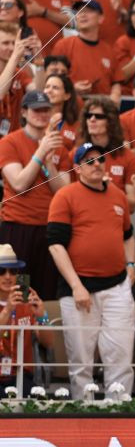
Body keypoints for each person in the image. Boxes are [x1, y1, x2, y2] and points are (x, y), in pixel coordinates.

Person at [47, 141, 135, 400]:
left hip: (117, 285)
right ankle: (83, 414)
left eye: (101, 159)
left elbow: (128, 236)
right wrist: (76, 286)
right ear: (77, 168)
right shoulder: (65, 196)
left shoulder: (118, 195)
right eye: (89, 161)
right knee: (81, 362)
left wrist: (131, 265)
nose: (97, 164)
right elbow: (55, 246)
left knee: (121, 358)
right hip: (79, 287)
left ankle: (119, 410)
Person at [0, 90, 69, 300]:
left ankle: (41, 321)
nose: (42, 114)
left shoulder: (60, 147)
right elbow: (19, 183)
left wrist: (49, 162)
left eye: (46, 110)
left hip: (49, 228)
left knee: (46, 291)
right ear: (24, 112)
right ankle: (19, 322)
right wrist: (40, 152)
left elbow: (63, 192)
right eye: (36, 110)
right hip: (19, 227)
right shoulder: (9, 142)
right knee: (20, 291)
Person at [0, 243, 53, 388]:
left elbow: (48, 343)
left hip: (22, 376)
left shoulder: (26, 302)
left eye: (13, 271)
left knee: (34, 397)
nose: (8, 276)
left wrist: (42, 316)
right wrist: (7, 310)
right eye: (1, 271)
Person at [50, 0, 121, 102]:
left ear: (101, 18)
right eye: (79, 11)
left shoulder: (109, 51)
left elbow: (116, 81)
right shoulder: (63, 45)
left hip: (102, 106)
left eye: (88, 11)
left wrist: (115, 94)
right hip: (71, 104)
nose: (82, 14)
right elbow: (51, 79)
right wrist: (72, 88)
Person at [79, 95, 135, 204]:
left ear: (111, 122)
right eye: (89, 116)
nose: (92, 119)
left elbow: (132, 203)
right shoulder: (77, 154)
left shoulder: (129, 157)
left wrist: (109, 188)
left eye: (98, 116)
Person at [0, 21, 38, 137]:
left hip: (12, 139)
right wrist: (16, 56)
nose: (12, 48)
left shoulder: (19, 74)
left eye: (14, 43)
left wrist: (39, 62)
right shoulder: (16, 62)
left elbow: (38, 93)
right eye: (5, 43)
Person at [41, 72, 80, 152]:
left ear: (67, 95)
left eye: (55, 88)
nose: (49, 91)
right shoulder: (34, 119)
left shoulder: (77, 125)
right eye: (47, 87)